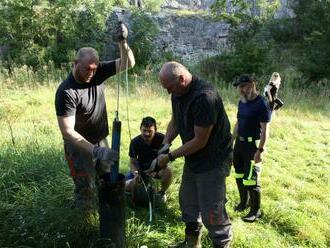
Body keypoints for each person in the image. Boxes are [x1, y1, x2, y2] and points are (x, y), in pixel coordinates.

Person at [55, 22, 135, 209]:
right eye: (87, 69)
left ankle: (105, 213)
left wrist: (123, 43)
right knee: (86, 186)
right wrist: (96, 151)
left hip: (100, 138)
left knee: (106, 178)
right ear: (75, 64)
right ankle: (84, 224)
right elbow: (67, 132)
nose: (91, 73)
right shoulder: (66, 92)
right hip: (78, 145)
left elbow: (128, 63)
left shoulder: (97, 71)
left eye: (94, 68)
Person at [157, 62, 232, 248]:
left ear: (182, 79)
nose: (168, 92)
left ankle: (221, 243)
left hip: (213, 160)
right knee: (188, 202)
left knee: (212, 211)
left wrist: (170, 157)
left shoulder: (205, 98)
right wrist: (165, 145)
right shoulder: (177, 93)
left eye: (169, 87)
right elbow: (175, 121)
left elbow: (200, 141)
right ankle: (192, 244)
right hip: (194, 158)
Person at [232, 74, 272, 222]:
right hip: (240, 144)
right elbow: (238, 122)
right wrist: (232, 141)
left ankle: (256, 211)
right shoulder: (241, 102)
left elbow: (265, 130)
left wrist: (260, 150)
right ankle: (244, 202)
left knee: (251, 179)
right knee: (239, 175)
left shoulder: (262, 103)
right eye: (239, 87)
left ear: (252, 84)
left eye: (244, 86)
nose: (241, 89)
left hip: (252, 145)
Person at [125, 116, 173, 203]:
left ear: (155, 130)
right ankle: (134, 192)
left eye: (150, 131)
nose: (147, 134)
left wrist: (156, 171)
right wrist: (136, 173)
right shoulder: (135, 142)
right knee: (123, 186)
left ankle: (161, 193)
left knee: (168, 171)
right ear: (140, 129)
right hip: (141, 170)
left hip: (157, 169)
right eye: (144, 131)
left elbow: (166, 160)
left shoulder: (162, 139)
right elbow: (132, 162)